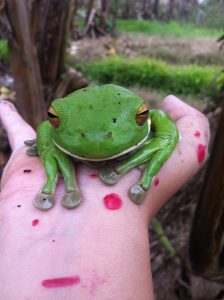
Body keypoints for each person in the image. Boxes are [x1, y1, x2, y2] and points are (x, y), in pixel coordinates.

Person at [0, 95, 209, 299]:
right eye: (56, 118)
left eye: (140, 115)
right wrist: (45, 146)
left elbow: (159, 117)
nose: (98, 142)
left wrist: (165, 137)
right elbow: (46, 127)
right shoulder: (53, 124)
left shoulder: (145, 114)